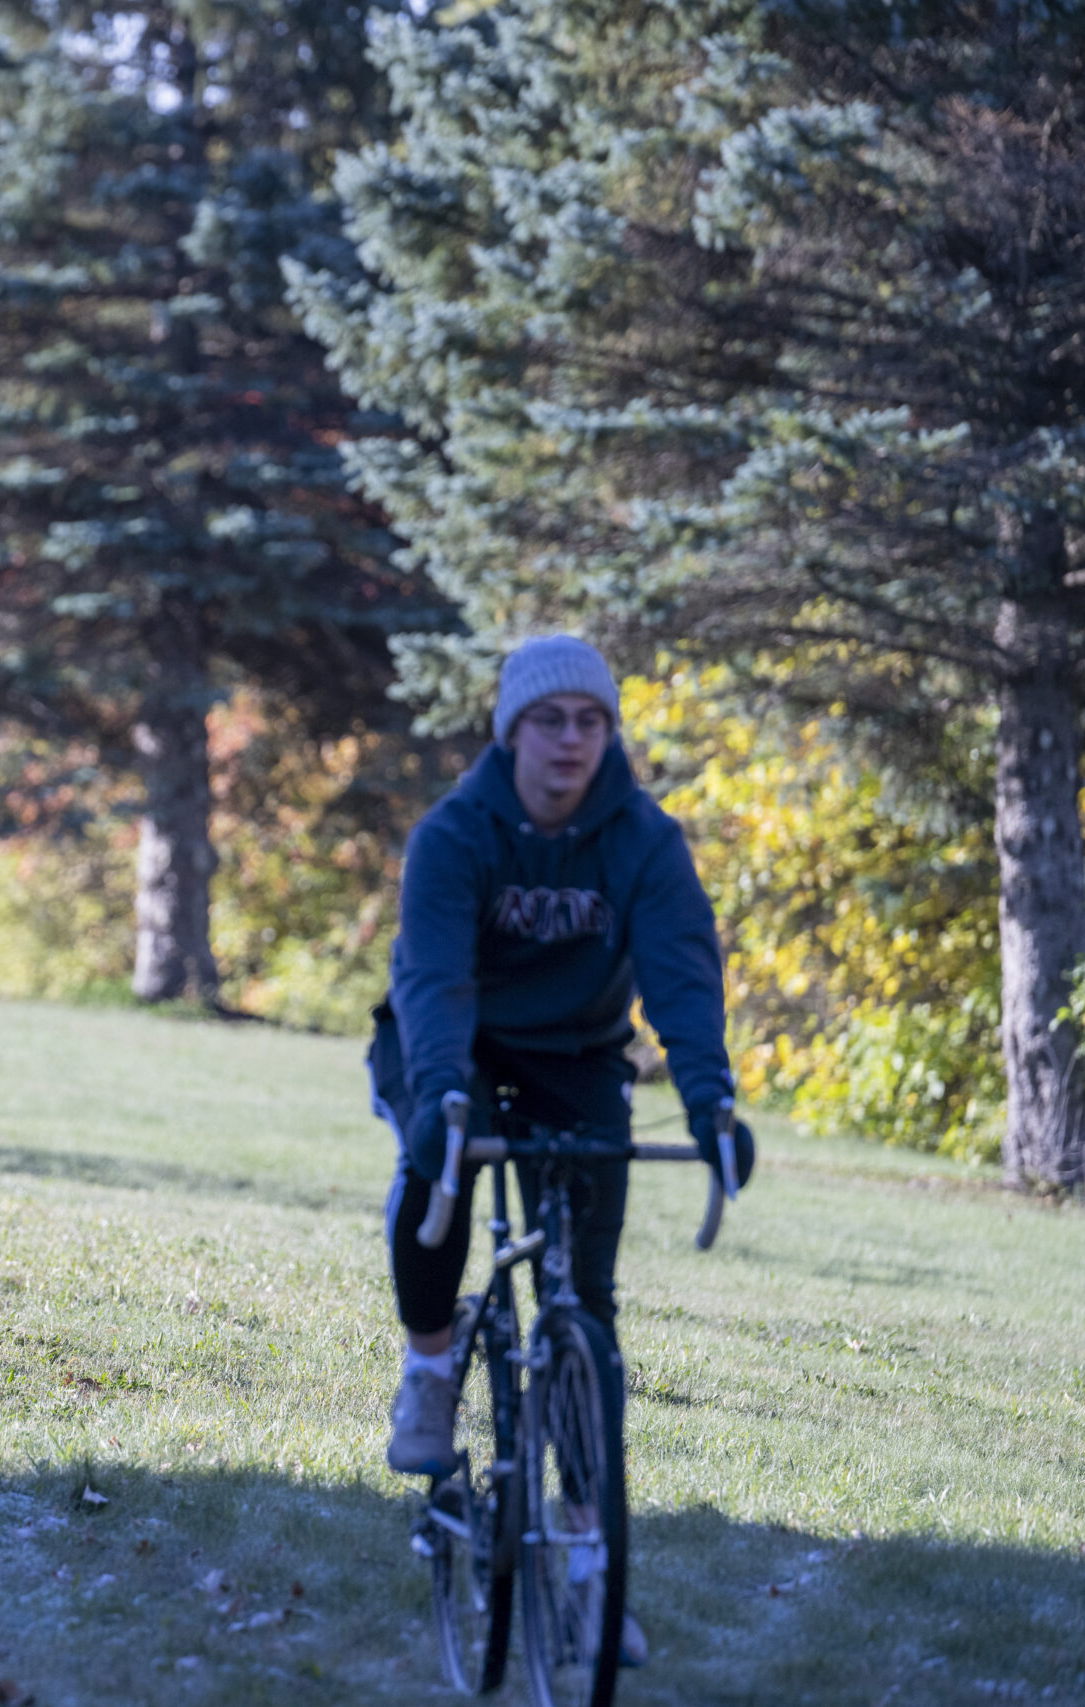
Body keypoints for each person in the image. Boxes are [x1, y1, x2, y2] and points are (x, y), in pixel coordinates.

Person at [372, 635, 756, 1670]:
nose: (572, 740)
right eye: (551, 720)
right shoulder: (456, 833)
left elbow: (680, 973)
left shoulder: (642, 840)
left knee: (583, 1299)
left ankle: (589, 1567)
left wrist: (712, 1104)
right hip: (449, 1037)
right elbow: (436, 978)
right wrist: (445, 1094)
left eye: (591, 721)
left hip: (580, 1052)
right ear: (511, 730)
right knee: (431, 1175)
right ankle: (430, 1362)